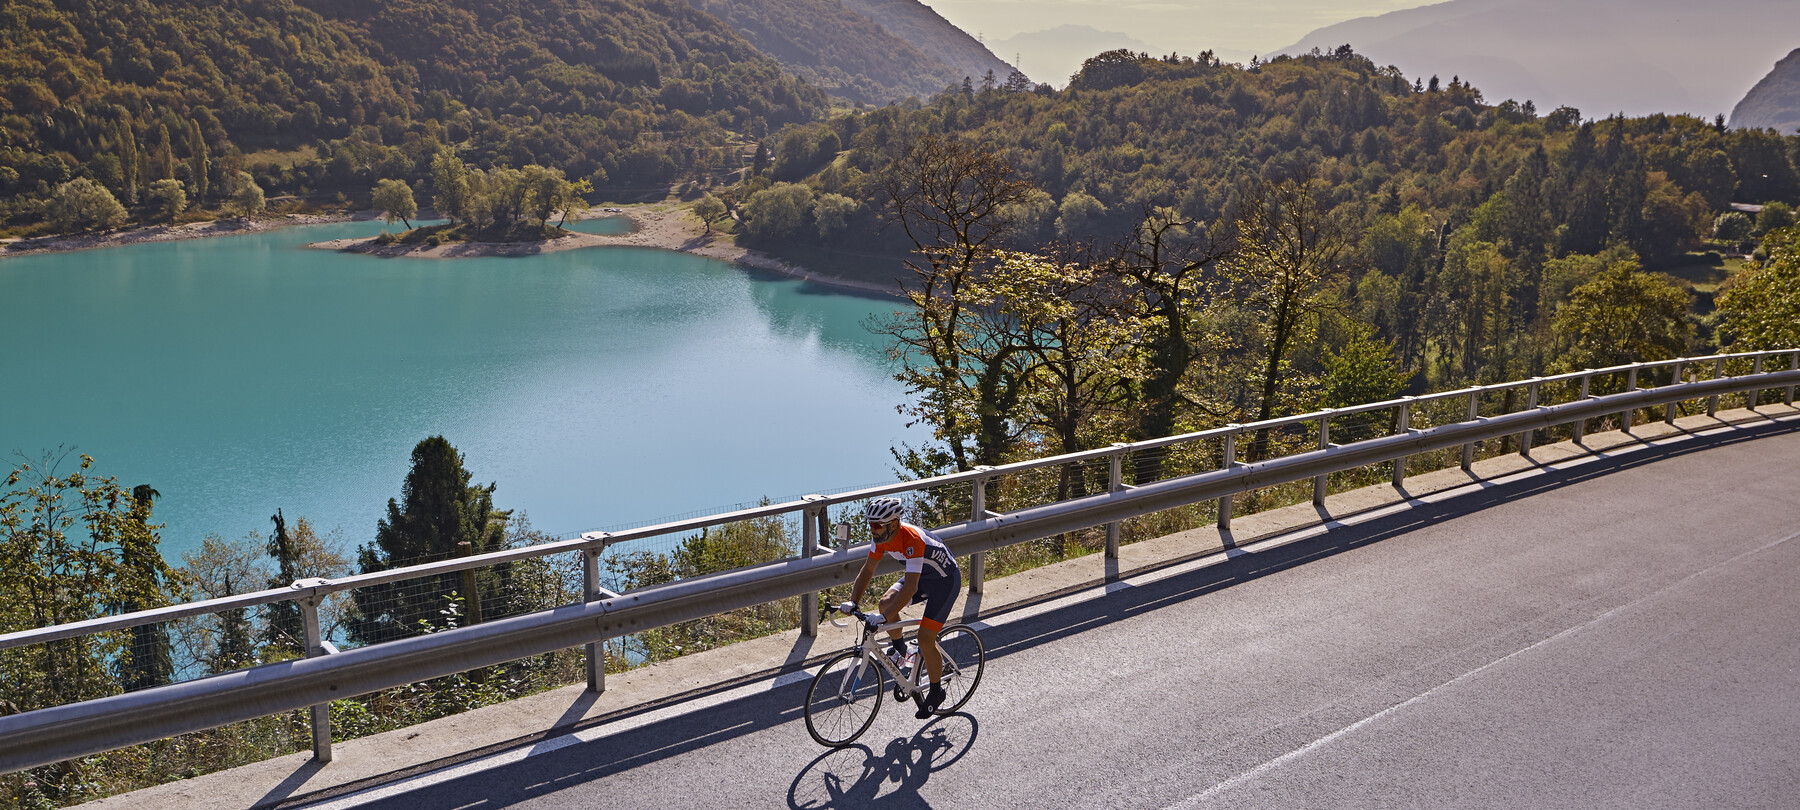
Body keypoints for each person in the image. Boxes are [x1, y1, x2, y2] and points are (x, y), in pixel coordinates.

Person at [840, 496, 962, 718]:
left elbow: (911, 587)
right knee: (886, 602)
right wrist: (854, 601)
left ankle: (936, 692)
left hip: (945, 582)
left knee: (925, 639)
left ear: (894, 523)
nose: (873, 530)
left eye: (877, 525)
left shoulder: (912, 539)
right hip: (923, 577)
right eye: (870, 525)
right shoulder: (880, 538)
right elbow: (867, 571)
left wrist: (884, 618)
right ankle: (901, 650)